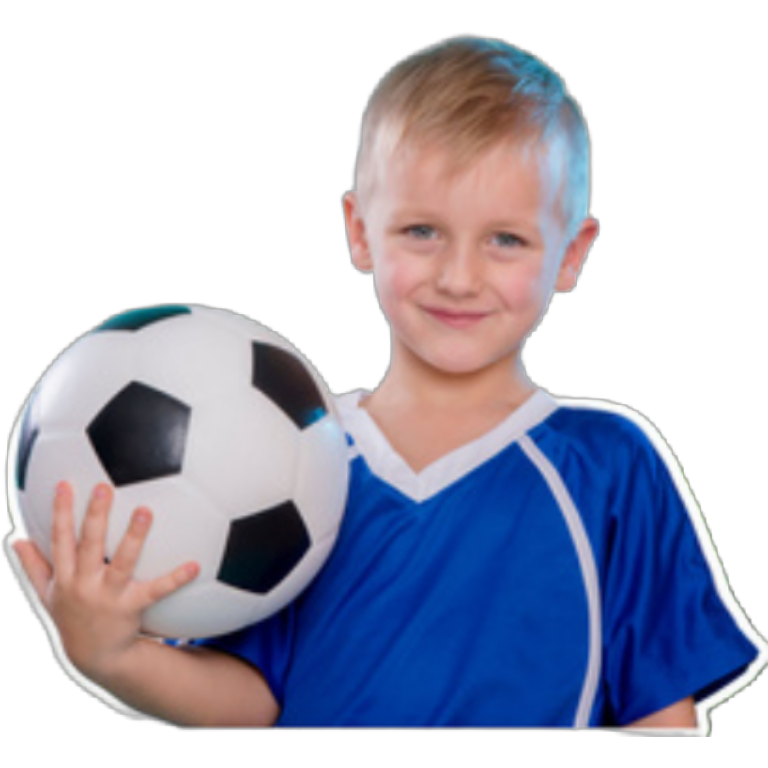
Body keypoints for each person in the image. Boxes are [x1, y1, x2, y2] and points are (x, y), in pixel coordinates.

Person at [10, 36, 766, 731]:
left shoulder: (609, 468)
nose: (459, 276)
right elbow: (255, 703)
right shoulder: (294, 462)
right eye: (422, 231)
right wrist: (111, 657)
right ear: (360, 230)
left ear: (572, 253)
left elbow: (660, 714)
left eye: (506, 239)